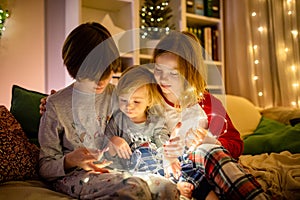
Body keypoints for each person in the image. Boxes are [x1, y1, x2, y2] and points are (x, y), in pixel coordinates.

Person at [38, 22, 153, 199]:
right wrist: (70, 160)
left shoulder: (118, 96)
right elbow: (45, 167)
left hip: (115, 171)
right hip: (75, 177)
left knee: (167, 188)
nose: (100, 81)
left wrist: (119, 140)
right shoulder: (55, 105)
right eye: (92, 75)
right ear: (74, 68)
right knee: (134, 187)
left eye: (106, 73)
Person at [153, 31, 268, 199]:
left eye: (173, 73)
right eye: (158, 70)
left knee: (206, 150)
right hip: (173, 171)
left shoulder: (207, 103)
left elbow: (236, 145)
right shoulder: (149, 99)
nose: (163, 78)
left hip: (208, 164)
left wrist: (211, 141)